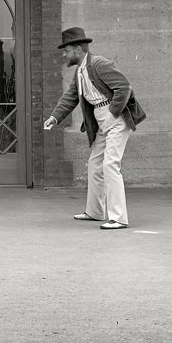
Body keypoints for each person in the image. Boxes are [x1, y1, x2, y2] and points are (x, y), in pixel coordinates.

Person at [42, 27, 145, 230]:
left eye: (67, 50)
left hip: (115, 118)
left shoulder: (99, 64)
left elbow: (124, 87)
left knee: (110, 165)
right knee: (95, 164)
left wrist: (112, 113)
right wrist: (54, 117)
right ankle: (95, 211)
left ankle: (119, 218)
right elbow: (70, 97)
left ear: (79, 49)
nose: (64, 54)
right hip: (101, 120)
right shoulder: (80, 71)